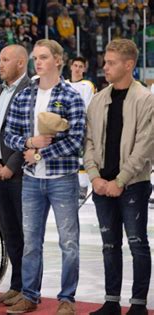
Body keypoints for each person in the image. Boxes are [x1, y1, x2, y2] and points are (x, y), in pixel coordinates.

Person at [4, 39, 85, 315]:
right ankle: (29, 295)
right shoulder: (25, 95)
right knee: (31, 242)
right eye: (35, 58)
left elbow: (76, 141)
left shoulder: (71, 96)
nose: (37, 62)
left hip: (62, 178)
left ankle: (67, 299)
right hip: (31, 180)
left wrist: (38, 154)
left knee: (69, 242)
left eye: (43, 57)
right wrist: (30, 142)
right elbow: (9, 135)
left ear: (58, 60)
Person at [85, 39, 153, 315]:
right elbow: (88, 142)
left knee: (137, 244)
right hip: (102, 185)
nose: (105, 67)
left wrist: (121, 180)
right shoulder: (99, 99)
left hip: (133, 185)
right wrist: (94, 178)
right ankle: (111, 301)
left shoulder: (146, 99)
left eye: (111, 62)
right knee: (109, 245)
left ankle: (138, 304)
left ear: (129, 65)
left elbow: (146, 145)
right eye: (105, 61)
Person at [0, 44, 31, 306]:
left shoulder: (31, 91)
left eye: (5, 59)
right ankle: (16, 285)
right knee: (10, 232)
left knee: (26, 234)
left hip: (21, 174)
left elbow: (29, 134)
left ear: (21, 63)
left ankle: (29, 289)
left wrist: (11, 165)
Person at [66, 56, 97, 202]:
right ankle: (69, 185)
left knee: (81, 158)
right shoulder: (63, 84)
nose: (77, 68)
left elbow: (89, 107)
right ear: (71, 67)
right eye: (75, 65)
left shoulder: (87, 85)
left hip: (80, 127)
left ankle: (83, 186)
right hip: (63, 127)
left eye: (80, 66)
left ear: (84, 69)